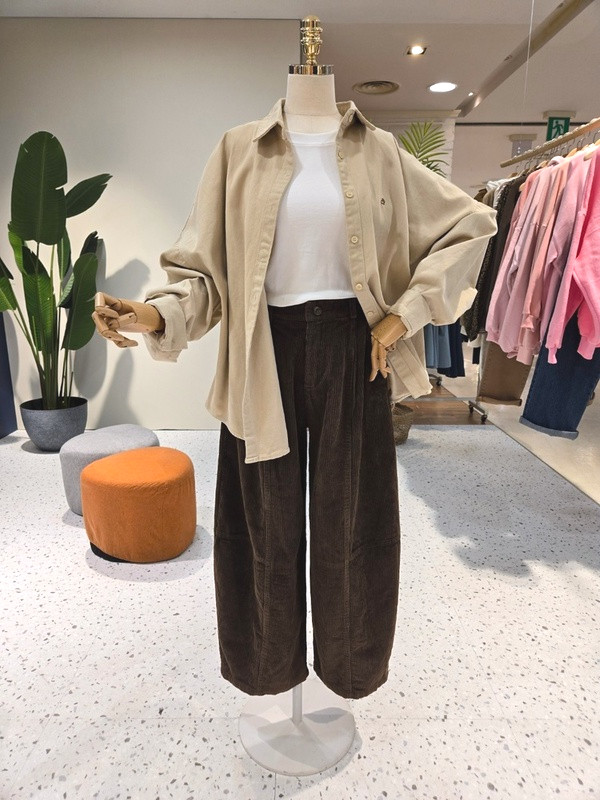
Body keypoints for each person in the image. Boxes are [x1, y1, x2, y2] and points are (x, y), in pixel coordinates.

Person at [93, 69, 497, 699]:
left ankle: (349, 669)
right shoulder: (238, 149)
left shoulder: (381, 150)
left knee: (354, 520)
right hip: (262, 349)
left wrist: (405, 314)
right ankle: (266, 669)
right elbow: (205, 277)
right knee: (261, 520)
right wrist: (150, 315)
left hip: (356, 347)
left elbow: (471, 225)